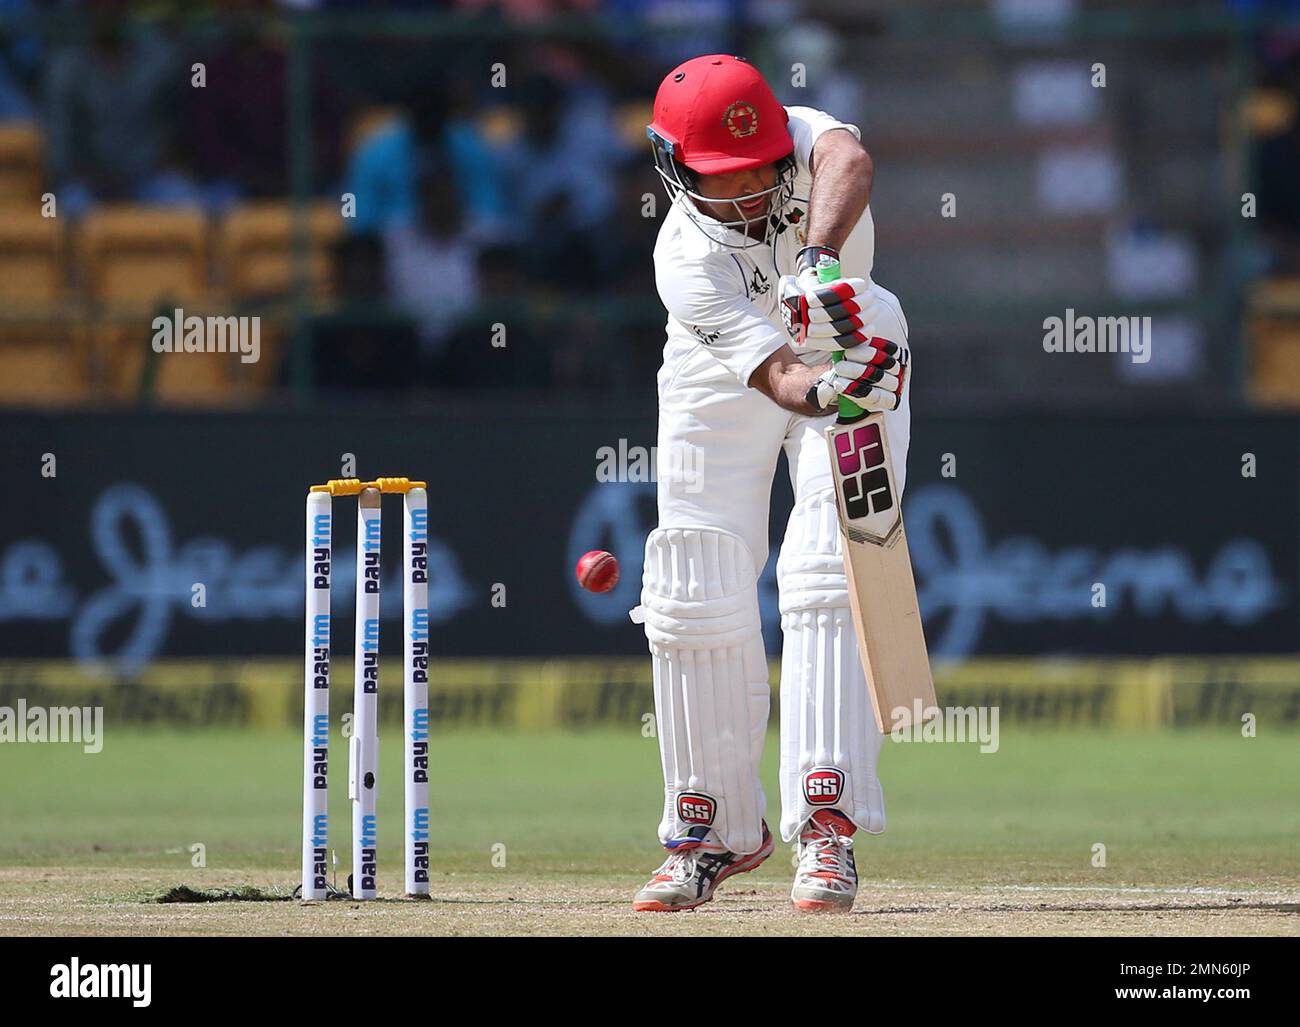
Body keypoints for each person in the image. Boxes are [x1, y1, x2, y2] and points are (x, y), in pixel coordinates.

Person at [630, 54, 913, 913]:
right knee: (692, 581)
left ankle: (827, 825)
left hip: (851, 330)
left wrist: (819, 264)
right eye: (725, 179)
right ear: (675, 166)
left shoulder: (809, 137)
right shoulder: (684, 257)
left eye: (760, 174)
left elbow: (851, 161)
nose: (751, 194)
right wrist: (828, 394)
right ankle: (711, 829)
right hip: (739, 368)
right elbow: (782, 380)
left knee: (832, 565)